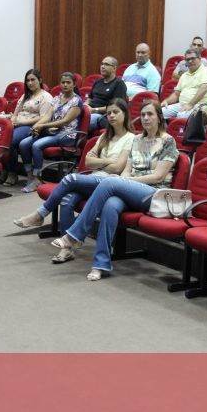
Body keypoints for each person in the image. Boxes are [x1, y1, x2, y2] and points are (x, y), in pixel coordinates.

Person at [50, 100, 179, 281]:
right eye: (142, 115)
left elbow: (158, 176)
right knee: (110, 205)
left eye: (150, 114)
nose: (145, 118)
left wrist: (124, 181)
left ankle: (75, 234)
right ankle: (101, 264)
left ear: (159, 117)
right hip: (131, 189)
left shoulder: (168, 141)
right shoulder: (137, 140)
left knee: (109, 182)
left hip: (154, 193)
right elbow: (127, 168)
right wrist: (124, 180)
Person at [13, 99, 135, 262]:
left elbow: (118, 168)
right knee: (67, 199)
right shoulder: (104, 137)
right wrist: (107, 162)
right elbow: (89, 160)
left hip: (109, 183)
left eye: (116, 112)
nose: (111, 116)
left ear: (125, 114)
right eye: (109, 112)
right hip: (94, 177)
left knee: (70, 178)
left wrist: (101, 162)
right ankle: (67, 249)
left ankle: (40, 214)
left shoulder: (131, 138)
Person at [19, 72, 82, 192]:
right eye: (63, 82)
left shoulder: (76, 101)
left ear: (74, 84)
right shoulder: (57, 98)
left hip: (67, 134)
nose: (65, 85)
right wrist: (37, 126)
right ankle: (30, 176)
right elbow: (48, 115)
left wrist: (42, 126)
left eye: (68, 82)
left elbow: (64, 121)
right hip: (52, 131)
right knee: (24, 143)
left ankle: (37, 179)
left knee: (37, 145)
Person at [0, 68, 53, 186]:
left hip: (31, 126)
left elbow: (43, 118)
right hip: (18, 123)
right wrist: (11, 122)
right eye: (28, 80)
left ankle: (12, 173)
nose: (30, 83)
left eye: (33, 80)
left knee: (10, 142)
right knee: (0, 138)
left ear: (40, 80)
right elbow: (16, 113)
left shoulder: (46, 97)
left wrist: (21, 123)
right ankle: (5, 169)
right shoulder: (25, 96)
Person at [161, 48, 207, 119]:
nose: (190, 61)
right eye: (187, 59)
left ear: (199, 59)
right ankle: (165, 130)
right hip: (182, 105)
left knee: (182, 115)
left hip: (200, 106)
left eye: (193, 58)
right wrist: (166, 101)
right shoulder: (184, 75)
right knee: (160, 112)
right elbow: (176, 94)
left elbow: (204, 89)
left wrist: (190, 104)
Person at [86, 56, 127, 130]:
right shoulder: (98, 82)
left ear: (114, 68)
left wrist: (94, 110)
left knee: (83, 121)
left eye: (106, 64)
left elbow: (117, 106)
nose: (102, 67)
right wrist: (85, 105)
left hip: (103, 116)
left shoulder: (119, 84)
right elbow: (89, 98)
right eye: (102, 64)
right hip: (89, 112)